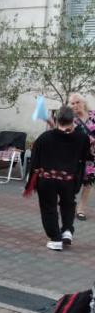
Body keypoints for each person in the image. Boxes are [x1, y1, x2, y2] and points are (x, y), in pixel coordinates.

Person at [24, 106, 92, 250]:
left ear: (56, 119)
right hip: (68, 180)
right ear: (73, 120)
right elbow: (85, 157)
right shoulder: (82, 137)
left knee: (49, 208)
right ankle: (67, 230)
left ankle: (55, 239)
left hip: (47, 180)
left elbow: (35, 160)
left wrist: (31, 182)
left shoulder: (45, 137)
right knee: (68, 204)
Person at [68, 93, 95, 221]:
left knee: (88, 183)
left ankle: (81, 209)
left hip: (93, 155)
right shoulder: (70, 119)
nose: (75, 105)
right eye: (72, 103)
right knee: (72, 180)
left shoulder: (93, 115)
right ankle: (69, 205)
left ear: (83, 102)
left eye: (77, 102)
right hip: (76, 155)